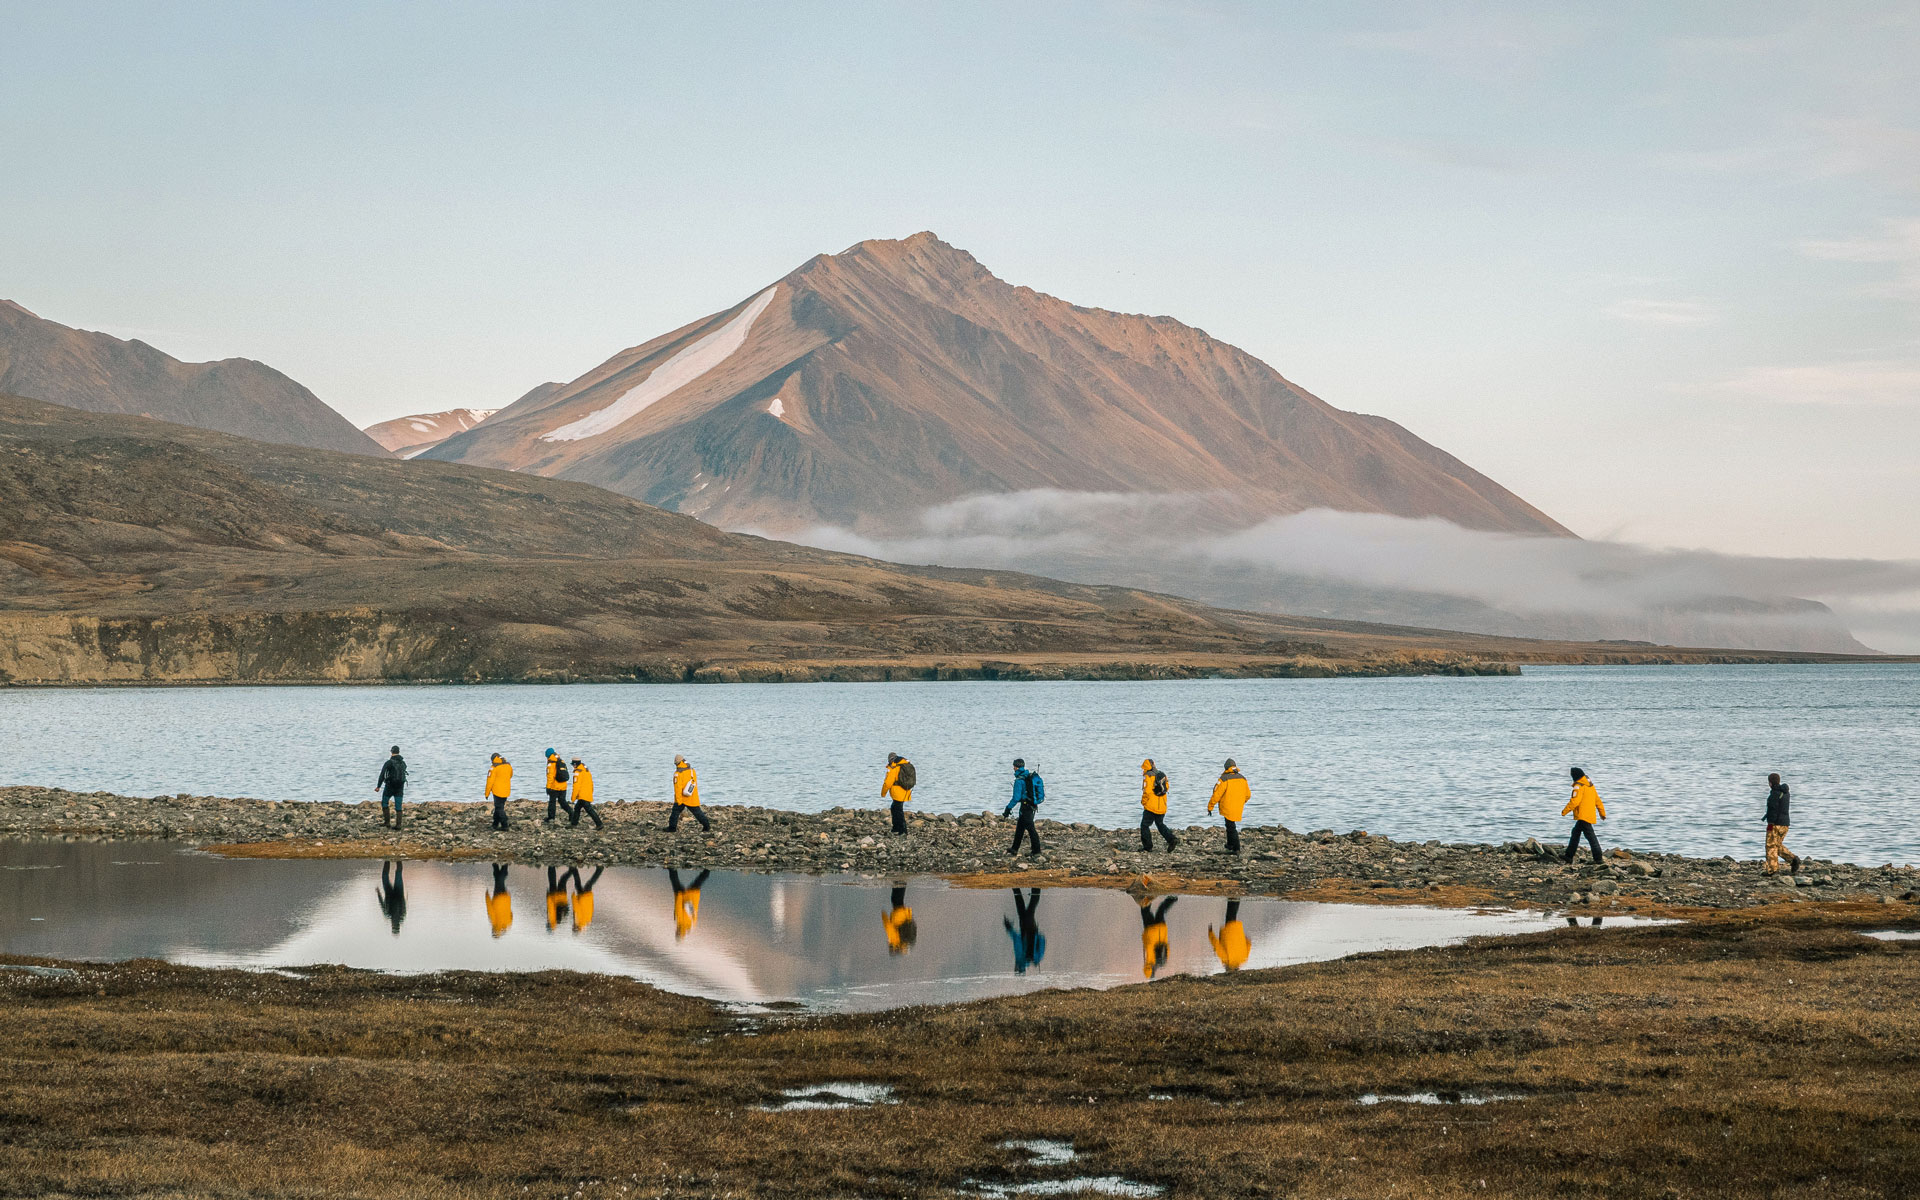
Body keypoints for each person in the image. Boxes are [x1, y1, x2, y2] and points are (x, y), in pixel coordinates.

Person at [1561, 767, 1606, 864]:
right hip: (1589, 814)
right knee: (1576, 833)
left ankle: (1598, 858)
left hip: (1583, 816)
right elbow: (1597, 800)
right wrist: (1602, 813)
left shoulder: (1578, 786)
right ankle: (1568, 856)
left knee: (1590, 837)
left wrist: (1565, 811)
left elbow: (1575, 801)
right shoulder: (1590, 785)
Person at [1207, 758, 1251, 854]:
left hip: (1227, 806)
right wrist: (1241, 802)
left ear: (1226, 768)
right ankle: (1230, 844)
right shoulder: (1242, 778)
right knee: (1229, 825)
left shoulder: (1223, 779)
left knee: (1231, 827)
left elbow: (1216, 794)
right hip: (1238, 805)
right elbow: (1248, 795)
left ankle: (1236, 848)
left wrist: (1210, 807)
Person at [1002, 758, 1043, 858]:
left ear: (1016, 767)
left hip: (1026, 807)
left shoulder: (1019, 780)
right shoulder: (1027, 776)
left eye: (1014, 766)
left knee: (1031, 829)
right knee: (1020, 827)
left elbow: (1016, 798)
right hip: (1031, 805)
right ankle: (1014, 849)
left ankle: (1036, 851)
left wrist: (1007, 809)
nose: (1013, 768)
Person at [1764, 772, 1801, 875]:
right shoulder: (1785, 793)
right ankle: (1793, 860)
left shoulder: (1774, 794)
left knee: (1771, 846)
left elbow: (1772, 810)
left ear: (1770, 783)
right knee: (1777, 845)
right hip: (1785, 824)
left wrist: (1770, 824)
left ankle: (1772, 870)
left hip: (1775, 824)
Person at [1003, 887, 1046, 974]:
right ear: (1019, 968)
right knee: (1026, 909)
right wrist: (1009, 929)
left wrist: (1038, 935)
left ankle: (1034, 889)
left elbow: (1042, 942)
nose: (1015, 966)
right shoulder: (1021, 958)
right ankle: (1019, 888)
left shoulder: (1036, 959)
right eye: (1016, 968)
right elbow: (1017, 941)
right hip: (1027, 929)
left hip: (1030, 929)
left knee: (1026, 910)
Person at [1139, 758, 1177, 852]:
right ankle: (1171, 839)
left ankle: (1148, 847)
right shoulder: (1162, 774)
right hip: (1162, 806)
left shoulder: (1147, 776)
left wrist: (1143, 802)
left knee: (1144, 825)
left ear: (1145, 767)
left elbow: (1146, 792)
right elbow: (1167, 787)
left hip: (1151, 806)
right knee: (1160, 824)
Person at [668, 756, 710, 832]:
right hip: (692, 796)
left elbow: (677, 788)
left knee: (675, 812)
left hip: (682, 797)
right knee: (697, 812)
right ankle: (706, 825)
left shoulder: (678, 773)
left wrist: (678, 801)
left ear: (677, 763)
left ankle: (672, 828)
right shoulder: (692, 770)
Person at [1139, 895, 1177, 979]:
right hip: (1150, 931)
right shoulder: (1150, 961)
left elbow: (1167, 947)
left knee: (1161, 910)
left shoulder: (1162, 962)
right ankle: (1148, 895)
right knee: (1145, 910)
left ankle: (1172, 898)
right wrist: (1144, 937)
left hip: (1161, 930)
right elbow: (1148, 947)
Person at [1208, 898, 1249, 972]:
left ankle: (1235, 898)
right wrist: (1210, 934)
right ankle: (1234, 897)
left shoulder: (1243, 960)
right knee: (1231, 913)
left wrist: (1244, 938)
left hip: (1237, 930)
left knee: (1233, 914)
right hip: (1229, 932)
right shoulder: (1226, 960)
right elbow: (1217, 947)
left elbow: (1249, 944)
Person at [669, 867, 709, 940]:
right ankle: (671, 867)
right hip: (684, 896)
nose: (676, 931)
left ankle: (708, 870)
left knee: (699, 881)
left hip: (692, 896)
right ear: (679, 933)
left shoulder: (691, 926)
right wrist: (680, 895)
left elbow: (693, 910)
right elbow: (678, 907)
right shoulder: (680, 922)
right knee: (674, 879)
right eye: (677, 933)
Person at [881, 753, 915, 835]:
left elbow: (888, 782)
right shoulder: (904, 764)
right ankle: (896, 828)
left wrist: (883, 793)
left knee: (898, 810)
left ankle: (902, 830)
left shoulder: (894, 767)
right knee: (894, 808)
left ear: (890, 759)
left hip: (898, 792)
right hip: (905, 790)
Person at [375, 746, 408, 829]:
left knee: (385, 802)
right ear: (399, 752)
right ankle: (398, 825)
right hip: (400, 787)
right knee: (398, 805)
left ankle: (387, 823)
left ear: (391, 752)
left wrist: (378, 786)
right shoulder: (403, 763)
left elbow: (382, 774)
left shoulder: (389, 762)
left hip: (390, 786)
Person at [882, 884, 917, 955]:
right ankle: (900, 882)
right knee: (895, 899)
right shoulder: (894, 940)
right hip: (898, 916)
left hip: (906, 915)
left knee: (898, 900)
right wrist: (884, 916)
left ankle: (901, 883)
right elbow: (888, 927)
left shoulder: (907, 943)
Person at [568, 758, 603, 829]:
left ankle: (599, 824)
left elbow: (576, 786)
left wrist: (573, 797)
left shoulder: (577, 773)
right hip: (587, 792)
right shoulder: (586, 771)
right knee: (577, 807)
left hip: (582, 794)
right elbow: (591, 783)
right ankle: (574, 823)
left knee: (589, 809)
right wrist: (591, 792)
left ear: (575, 765)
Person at [567, 866, 603, 933]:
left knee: (578, 885)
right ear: (575, 927)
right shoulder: (578, 920)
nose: (572, 925)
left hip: (586, 898)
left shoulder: (586, 922)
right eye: (573, 927)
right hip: (584, 897)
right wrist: (573, 897)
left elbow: (591, 909)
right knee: (588, 884)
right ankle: (599, 870)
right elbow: (576, 907)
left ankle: (574, 869)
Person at [375, 860, 406, 935]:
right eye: (394, 926)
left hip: (395, 892)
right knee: (388, 875)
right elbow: (382, 904)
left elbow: (382, 905)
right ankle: (389, 859)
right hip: (396, 893)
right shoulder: (394, 915)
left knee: (397, 873)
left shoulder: (401, 916)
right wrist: (378, 893)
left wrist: (378, 893)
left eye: (393, 926)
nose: (393, 924)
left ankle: (394, 858)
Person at [485, 753, 513, 830]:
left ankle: (505, 824)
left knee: (499, 807)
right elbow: (510, 775)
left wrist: (487, 793)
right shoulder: (508, 766)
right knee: (499, 807)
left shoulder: (493, 768)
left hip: (497, 791)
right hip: (506, 790)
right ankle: (495, 824)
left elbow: (489, 782)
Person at [485, 863, 513, 938]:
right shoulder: (495, 922)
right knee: (499, 880)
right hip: (498, 897)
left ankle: (498, 865)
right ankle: (502, 865)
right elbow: (489, 909)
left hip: (504, 898)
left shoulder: (508, 924)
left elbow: (511, 914)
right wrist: (487, 896)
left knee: (498, 881)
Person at [543, 749, 570, 823]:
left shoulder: (551, 763)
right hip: (563, 785)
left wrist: (548, 787)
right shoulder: (561, 760)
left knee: (552, 802)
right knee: (563, 802)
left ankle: (551, 817)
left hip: (554, 786)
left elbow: (550, 777)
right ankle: (571, 813)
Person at [544, 865, 570, 932]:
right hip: (556, 896)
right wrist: (548, 896)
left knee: (561, 880)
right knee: (554, 880)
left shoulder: (558, 920)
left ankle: (571, 870)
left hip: (561, 897)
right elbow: (551, 906)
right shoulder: (552, 918)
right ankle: (551, 866)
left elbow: (566, 909)